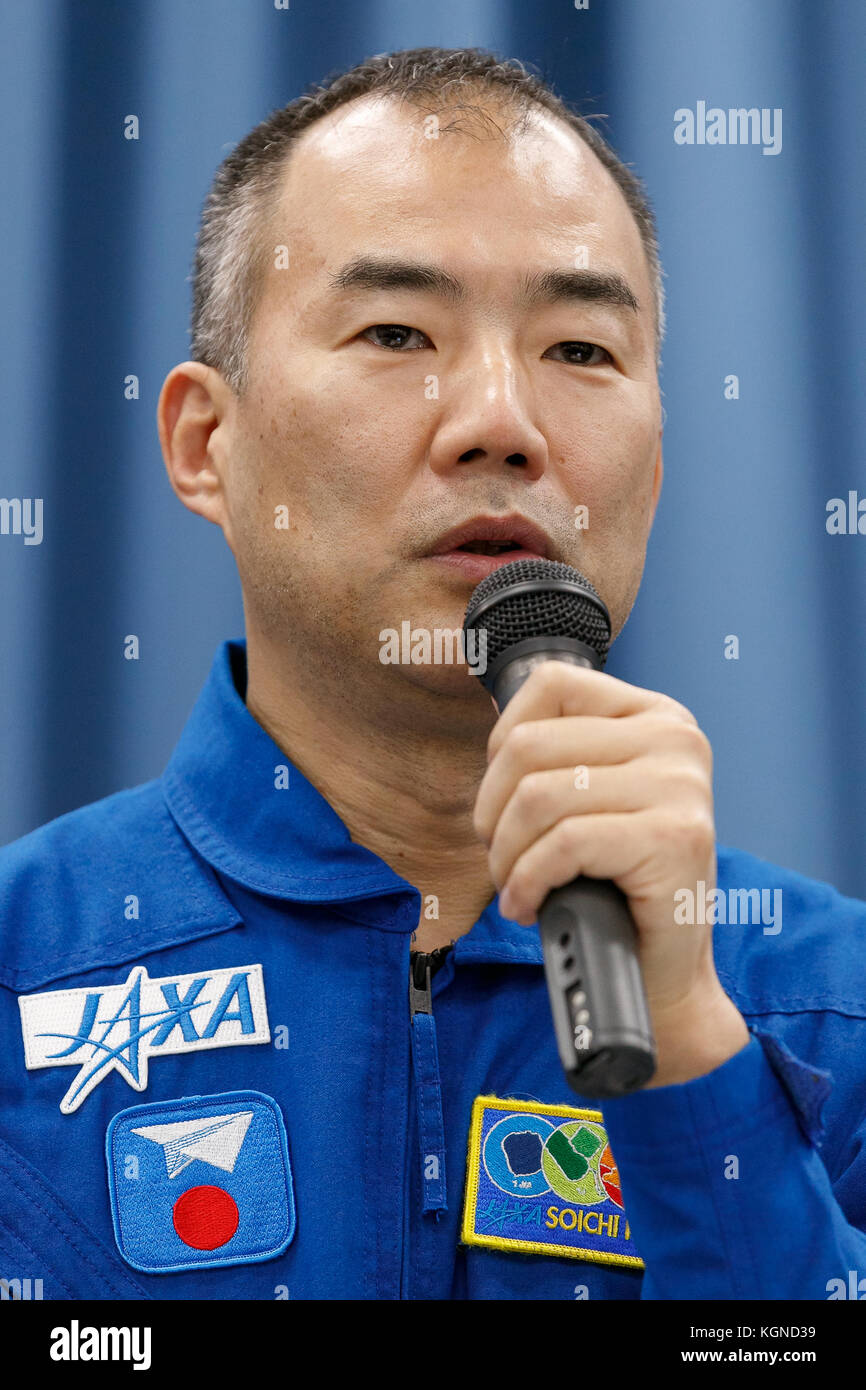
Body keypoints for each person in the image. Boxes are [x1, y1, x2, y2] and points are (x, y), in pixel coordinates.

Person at [1, 46, 864, 1302]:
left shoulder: (827, 1001)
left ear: (655, 468)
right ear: (204, 443)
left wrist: (686, 1041)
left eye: (579, 350)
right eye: (396, 331)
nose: (499, 422)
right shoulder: (24, 965)